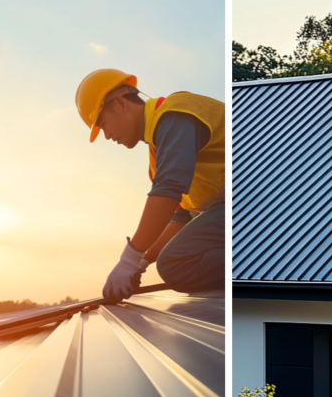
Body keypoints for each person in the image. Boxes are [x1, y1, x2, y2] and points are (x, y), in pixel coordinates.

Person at [74, 68, 225, 303]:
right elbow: (179, 219)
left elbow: (167, 192)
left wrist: (128, 260)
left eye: (103, 123)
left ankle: (263, 261)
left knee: (176, 264)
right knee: (175, 263)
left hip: (270, 196)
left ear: (120, 104)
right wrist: (141, 263)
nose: (107, 135)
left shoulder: (175, 114)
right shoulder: (158, 155)